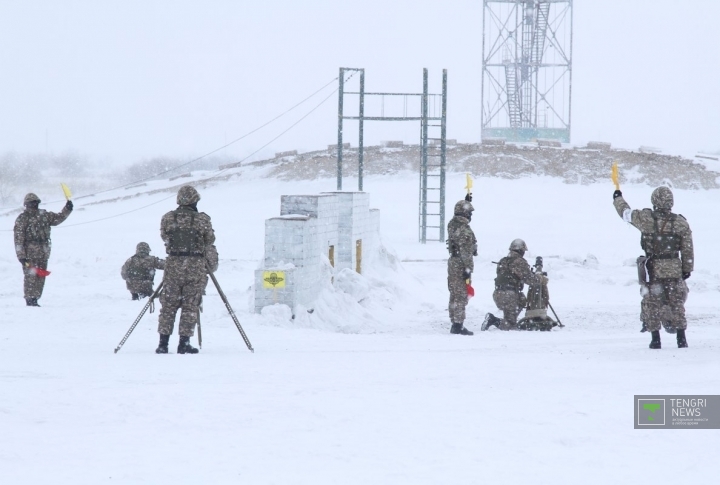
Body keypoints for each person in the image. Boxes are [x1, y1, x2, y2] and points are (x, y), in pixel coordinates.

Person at [613, 186, 693, 349]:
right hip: (674, 269)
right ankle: (681, 338)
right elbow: (687, 249)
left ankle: (655, 339)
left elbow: (625, 213)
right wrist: (686, 269)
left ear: (654, 200)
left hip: (653, 270)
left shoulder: (645, 218)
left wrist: (617, 198)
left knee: (652, 303)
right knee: (676, 303)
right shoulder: (680, 222)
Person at [156, 185, 218, 354]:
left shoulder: (167, 218)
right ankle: (184, 343)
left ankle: (163, 343)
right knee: (190, 305)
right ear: (194, 200)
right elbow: (209, 240)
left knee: (168, 305)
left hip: (173, 265)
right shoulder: (202, 220)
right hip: (194, 266)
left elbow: (165, 237)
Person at [13, 193, 73, 306]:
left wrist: (67, 209)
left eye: (35, 202)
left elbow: (58, 219)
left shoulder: (44, 215)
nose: (33, 205)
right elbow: (18, 239)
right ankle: (30, 300)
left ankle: (35, 298)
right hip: (29, 254)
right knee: (30, 276)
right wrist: (21, 256)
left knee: (40, 276)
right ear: (26, 205)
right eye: (31, 203)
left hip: (43, 252)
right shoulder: (22, 219)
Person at [481, 239, 540, 331]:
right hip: (509, 296)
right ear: (521, 250)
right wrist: (540, 278)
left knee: (521, 299)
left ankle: (509, 319)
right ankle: (493, 320)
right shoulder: (519, 262)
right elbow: (530, 280)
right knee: (510, 327)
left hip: (498, 294)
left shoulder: (503, 261)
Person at [446, 194, 477, 335]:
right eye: (469, 213)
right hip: (461, 263)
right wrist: (468, 268)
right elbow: (466, 252)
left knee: (454, 292)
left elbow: (455, 219)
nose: (470, 216)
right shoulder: (464, 230)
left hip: (453, 262)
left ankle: (454, 321)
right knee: (461, 294)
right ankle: (458, 325)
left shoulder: (453, 225)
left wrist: (465, 203)